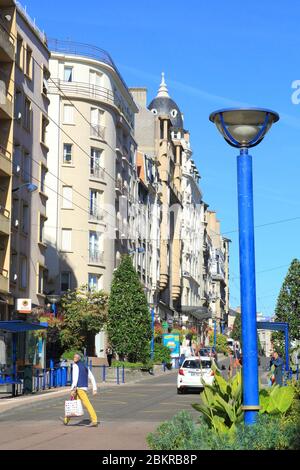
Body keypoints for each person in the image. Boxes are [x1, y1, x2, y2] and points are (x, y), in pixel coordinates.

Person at [61, 353, 98, 427]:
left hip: (78, 388)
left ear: (78, 358)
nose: (74, 358)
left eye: (75, 357)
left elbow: (75, 378)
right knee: (73, 404)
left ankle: (94, 420)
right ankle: (66, 420)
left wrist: (72, 389)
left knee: (83, 404)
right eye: (74, 357)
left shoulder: (75, 366)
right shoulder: (85, 366)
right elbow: (92, 377)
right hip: (83, 388)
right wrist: (94, 388)